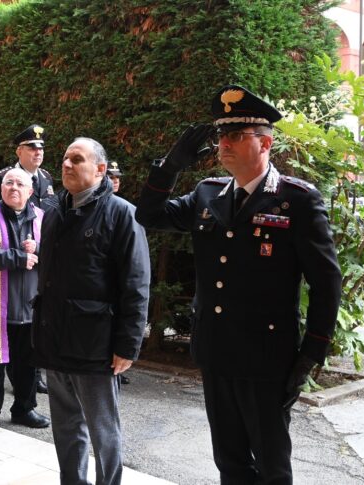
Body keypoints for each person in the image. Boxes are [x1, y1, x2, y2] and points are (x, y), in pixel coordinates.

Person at [136, 85, 341, 484]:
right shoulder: (208, 193)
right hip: (217, 350)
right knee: (229, 461)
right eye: (220, 136)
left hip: (267, 357)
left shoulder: (295, 200)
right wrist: (170, 167)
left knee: (271, 465)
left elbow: (326, 281)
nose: (222, 144)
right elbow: (150, 214)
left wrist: (311, 353)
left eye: (235, 136)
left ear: (264, 143)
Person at [32, 137, 150, 485]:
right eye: (65, 158)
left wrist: (127, 345)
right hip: (55, 339)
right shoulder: (53, 211)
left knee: (103, 431)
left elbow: (136, 284)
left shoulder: (122, 214)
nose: (66, 164)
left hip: (94, 344)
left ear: (100, 169)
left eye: (77, 159)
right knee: (66, 427)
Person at [0, 168, 51, 436]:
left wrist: (37, 249)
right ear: (1, 188)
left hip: (31, 307)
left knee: (28, 364)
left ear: (30, 191)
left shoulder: (43, 218)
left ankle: (24, 409)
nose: (14, 187)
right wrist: (18, 258)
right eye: (9, 183)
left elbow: (59, 253)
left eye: (20, 184)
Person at [0, 124, 55, 394]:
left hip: (39, 258)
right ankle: (15, 376)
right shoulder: (4, 177)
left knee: (34, 320)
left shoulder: (46, 178)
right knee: (10, 325)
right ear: (19, 151)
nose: (37, 152)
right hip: (11, 264)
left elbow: (50, 218)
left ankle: (33, 374)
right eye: (31, 147)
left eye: (40, 148)